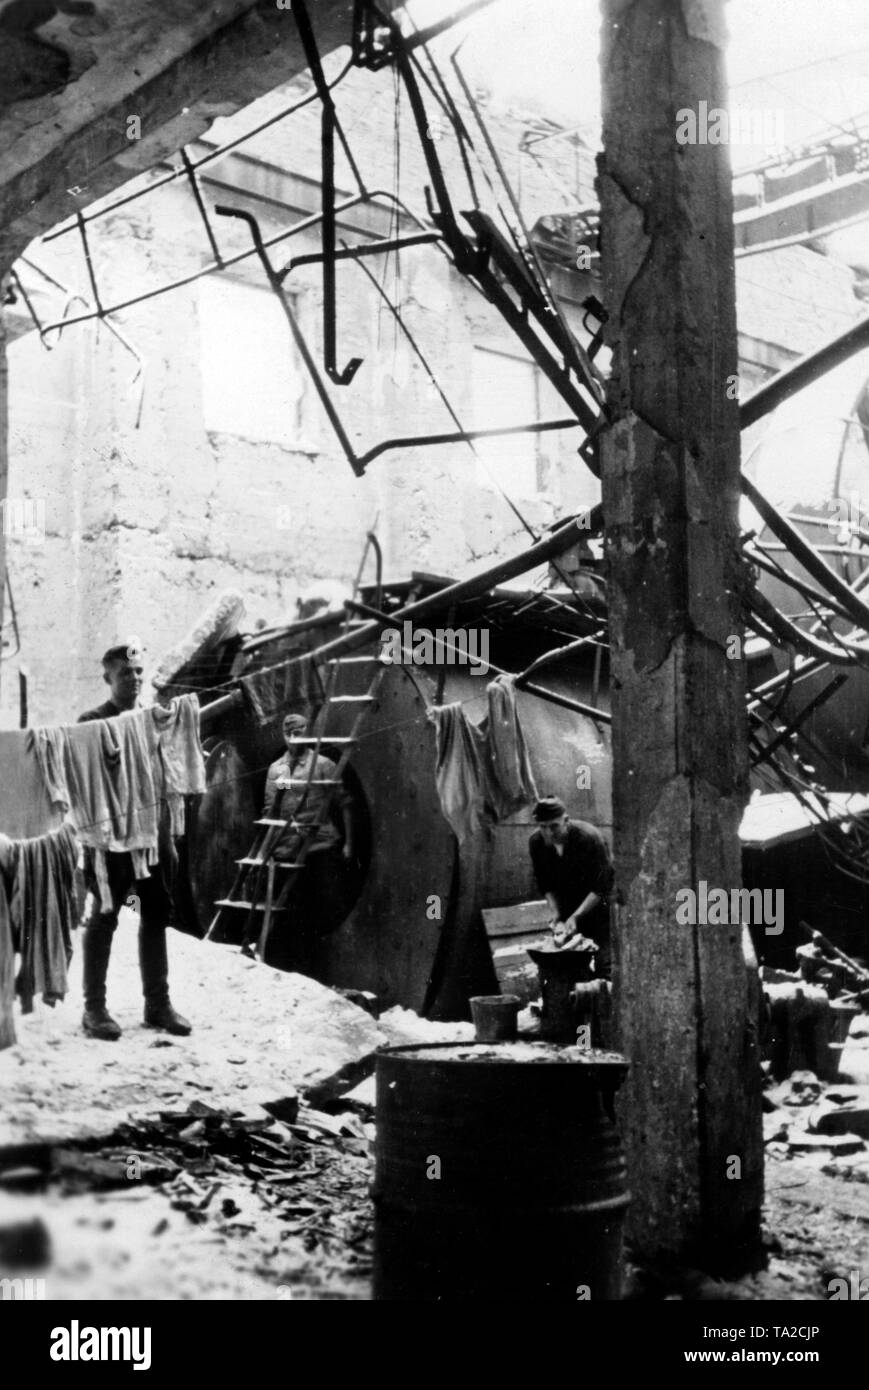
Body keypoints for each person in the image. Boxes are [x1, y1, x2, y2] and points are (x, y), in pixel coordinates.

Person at [78, 643, 191, 1041]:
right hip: (112, 841)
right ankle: (94, 1009)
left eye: (140, 672)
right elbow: (89, 783)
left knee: (156, 913)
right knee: (105, 916)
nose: (136, 679)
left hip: (153, 839)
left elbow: (167, 774)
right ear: (108, 678)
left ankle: (157, 1004)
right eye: (126, 673)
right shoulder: (91, 721)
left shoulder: (153, 720)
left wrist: (168, 838)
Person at [528, 794, 614, 974]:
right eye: (543, 827)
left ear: (565, 820)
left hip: (600, 909)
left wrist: (577, 916)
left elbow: (602, 886)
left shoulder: (589, 838)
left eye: (554, 826)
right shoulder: (536, 843)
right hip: (568, 912)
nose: (549, 833)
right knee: (567, 969)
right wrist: (556, 914)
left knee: (605, 966)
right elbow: (545, 885)